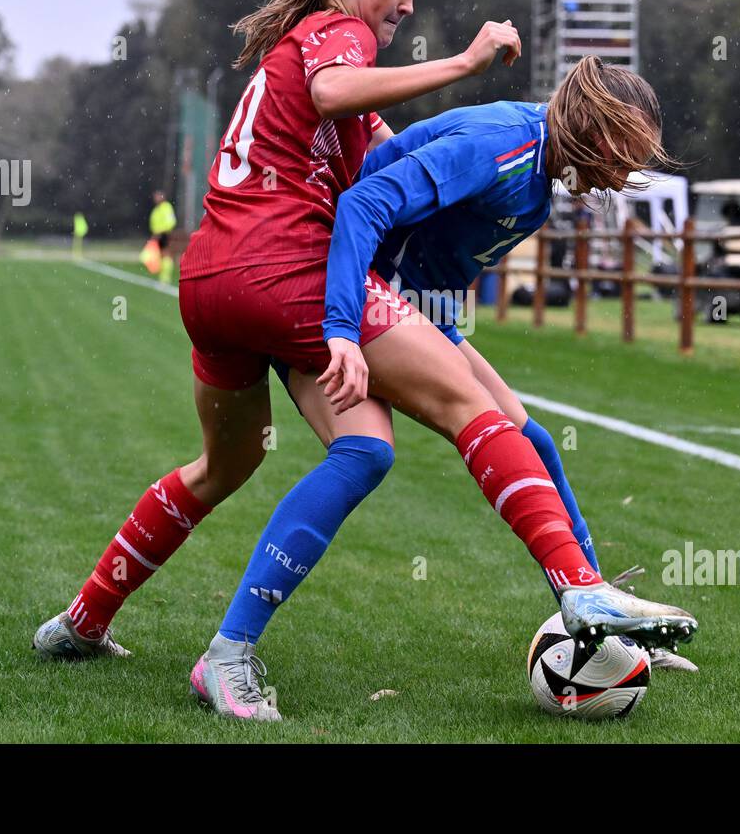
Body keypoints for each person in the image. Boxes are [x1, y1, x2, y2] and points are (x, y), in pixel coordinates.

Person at [32, 0, 525, 699]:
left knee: (226, 464)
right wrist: (467, 64)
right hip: (281, 274)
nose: (406, 5)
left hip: (212, 281)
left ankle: (83, 620)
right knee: (451, 414)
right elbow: (337, 87)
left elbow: (381, 146)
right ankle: (227, 656)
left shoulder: (321, 74)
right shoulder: (336, 33)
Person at [192, 57, 699, 718]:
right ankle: (228, 653)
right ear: (592, 129)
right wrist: (342, 328)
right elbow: (364, 204)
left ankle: (597, 612)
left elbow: (429, 270)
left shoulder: (538, 178)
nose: (627, 175)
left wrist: (446, 341)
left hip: (399, 303)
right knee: (369, 453)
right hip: (329, 289)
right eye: (625, 154)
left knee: (530, 440)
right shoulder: (501, 148)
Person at [149, 191, 177, 283]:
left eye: (158, 196)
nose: (156, 198)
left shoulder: (166, 207)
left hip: (163, 234)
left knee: (165, 254)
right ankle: (162, 276)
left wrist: (161, 231)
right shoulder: (157, 209)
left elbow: (171, 221)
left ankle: (165, 277)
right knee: (160, 255)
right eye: (155, 197)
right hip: (157, 235)